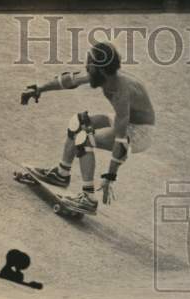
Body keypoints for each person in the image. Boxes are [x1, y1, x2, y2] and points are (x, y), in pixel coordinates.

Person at [20, 41, 156, 213]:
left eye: (89, 65)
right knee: (77, 122)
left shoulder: (122, 91)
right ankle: (61, 174)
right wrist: (39, 89)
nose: (86, 67)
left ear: (100, 69)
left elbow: (121, 142)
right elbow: (71, 80)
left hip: (140, 132)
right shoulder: (105, 74)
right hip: (130, 121)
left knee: (84, 139)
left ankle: (88, 198)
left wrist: (110, 176)